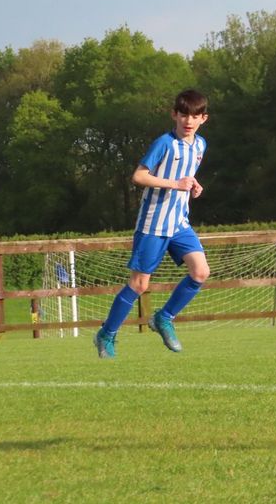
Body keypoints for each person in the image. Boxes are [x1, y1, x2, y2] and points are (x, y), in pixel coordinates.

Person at [94, 89, 210, 358]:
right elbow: (139, 176)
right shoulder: (164, 143)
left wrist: (193, 185)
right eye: (183, 115)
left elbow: (185, 176)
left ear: (204, 118)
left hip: (180, 222)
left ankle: (164, 317)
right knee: (139, 284)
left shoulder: (201, 145)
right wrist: (175, 184)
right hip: (153, 223)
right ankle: (106, 334)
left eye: (194, 116)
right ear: (174, 115)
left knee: (200, 272)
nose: (188, 121)